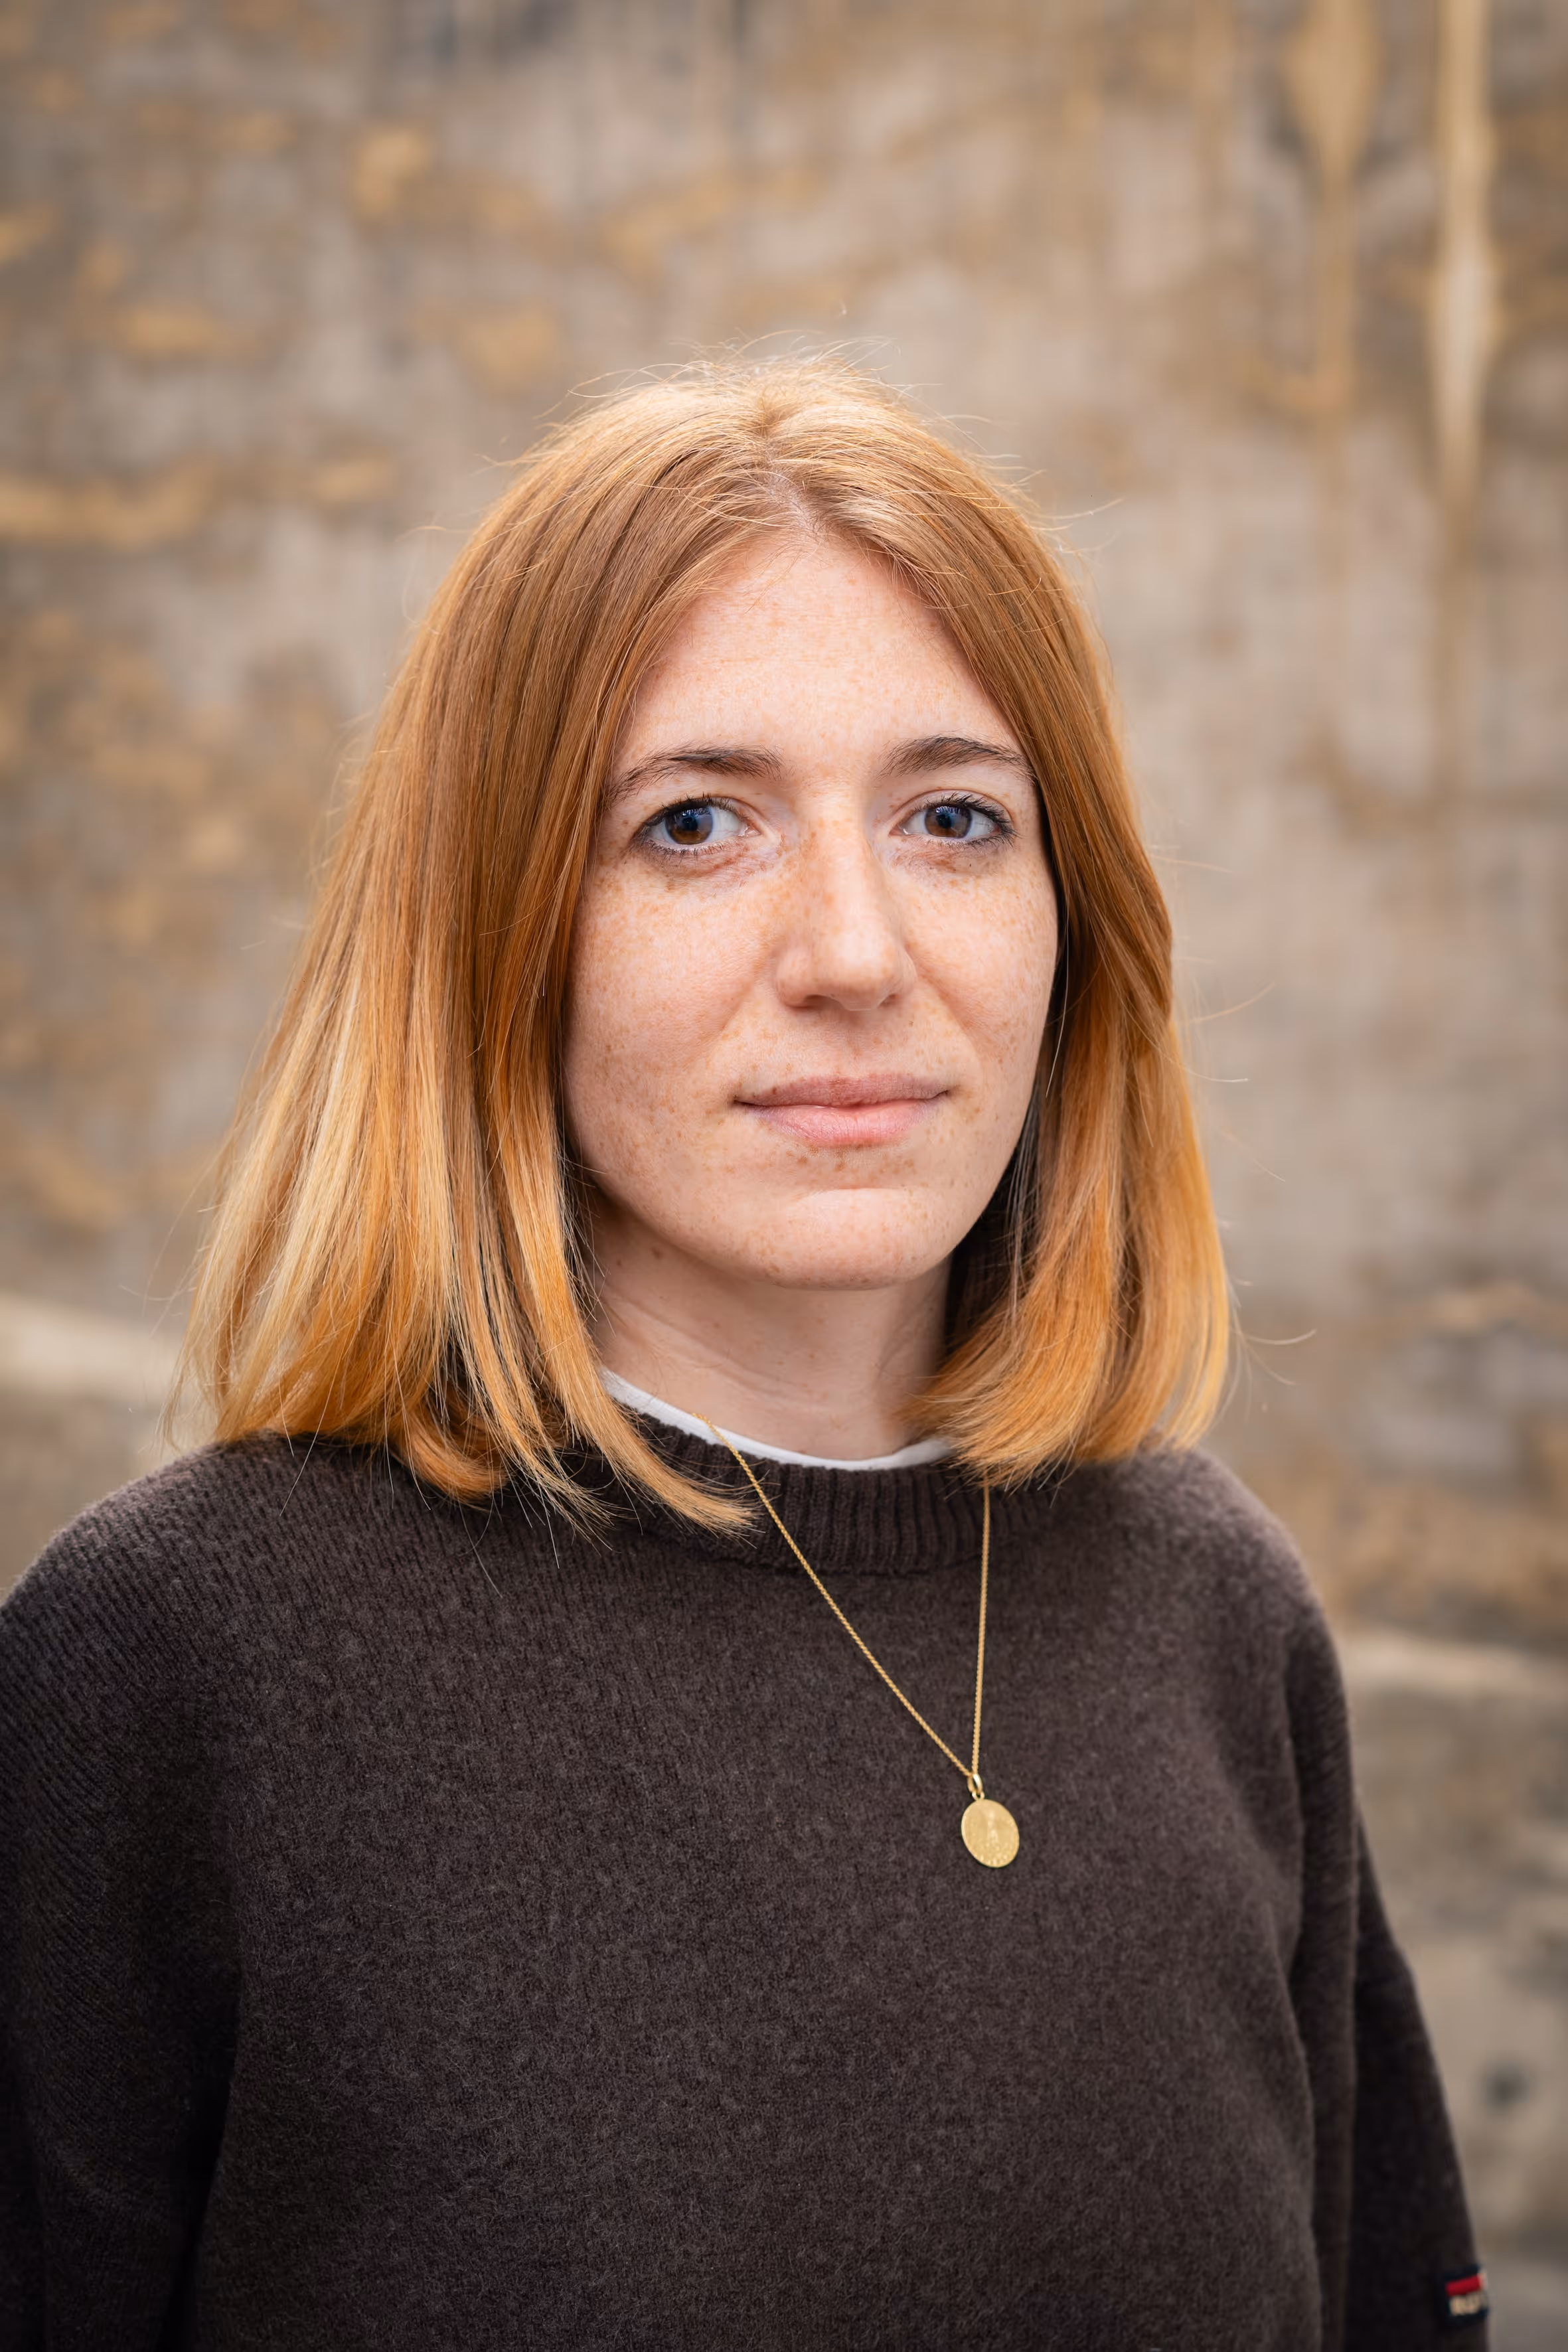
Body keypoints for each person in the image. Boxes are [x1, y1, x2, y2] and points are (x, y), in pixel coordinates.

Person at [0, 360, 1487, 2350]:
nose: (857, 950)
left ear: (1077, 921)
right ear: (497, 929)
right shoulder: (182, 1658)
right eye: (696, 824)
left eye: (956, 817)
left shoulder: (1215, 1616)